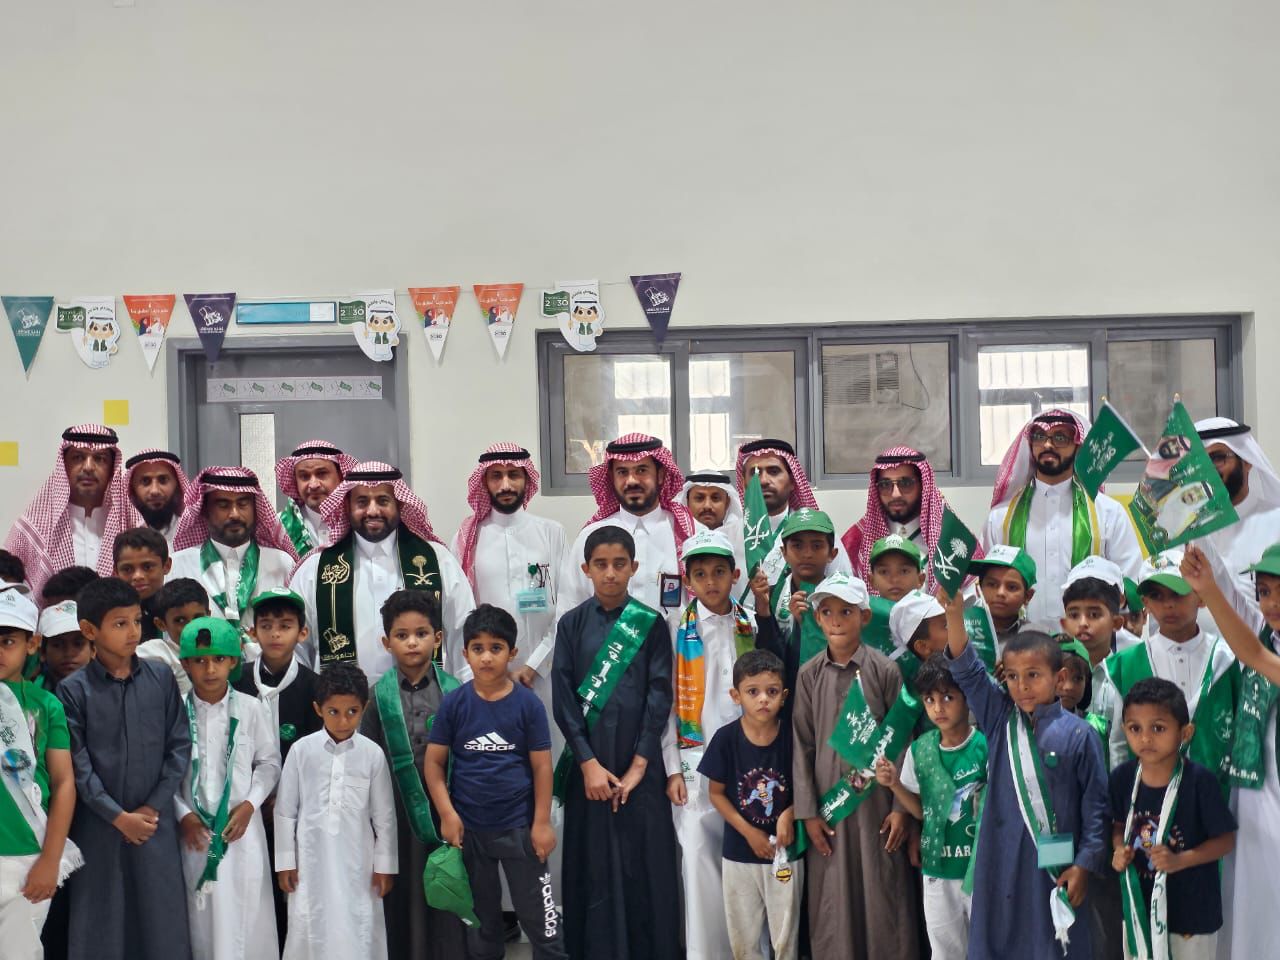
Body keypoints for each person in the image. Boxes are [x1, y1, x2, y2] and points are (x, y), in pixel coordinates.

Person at [943, 591, 1110, 960]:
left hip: (1054, 865)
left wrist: (1084, 864)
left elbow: (1096, 809)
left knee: (1052, 943)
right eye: (1014, 676)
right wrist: (954, 613)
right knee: (997, 939)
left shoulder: (1081, 735)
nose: (1022, 685)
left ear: (1060, 677)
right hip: (998, 859)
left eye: (1033, 675)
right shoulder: (1000, 717)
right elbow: (968, 671)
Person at [552, 525, 680, 959]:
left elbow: (660, 694)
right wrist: (587, 763)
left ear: (634, 568)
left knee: (643, 865)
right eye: (601, 565)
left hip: (638, 769)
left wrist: (640, 765)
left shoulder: (651, 624)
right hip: (588, 770)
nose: (610, 574)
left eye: (619, 565)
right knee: (593, 866)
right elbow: (564, 698)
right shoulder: (571, 625)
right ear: (585, 569)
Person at [58, 577, 192, 960]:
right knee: (102, 923)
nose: (133, 632)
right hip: (100, 828)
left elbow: (179, 746)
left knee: (161, 921)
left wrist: (151, 809)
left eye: (136, 621)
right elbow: (78, 766)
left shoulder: (161, 678)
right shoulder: (73, 690)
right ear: (89, 630)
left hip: (155, 826)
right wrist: (117, 817)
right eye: (120, 623)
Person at [425, 604, 567, 960]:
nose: (486, 657)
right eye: (478, 648)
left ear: (512, 652)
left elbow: (542, 768)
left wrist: (540, 823)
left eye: (496, 648)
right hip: (469, 833)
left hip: (520, 831)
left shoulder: (528, 705)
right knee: (482, 927)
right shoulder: (455, 704)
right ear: (465, 653)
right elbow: (434, 764)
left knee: (543, 924)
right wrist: (447, 814)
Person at [791, 572, 920, 959]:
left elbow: (902, 742)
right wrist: (808, 812)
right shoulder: (808, 674)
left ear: (864, 617)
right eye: (826, 612)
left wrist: (901, 809)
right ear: (817, 619)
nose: (834, 620)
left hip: (879, 806)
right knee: (833, 896)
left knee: (884, 890)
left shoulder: (884, 671)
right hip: (831, 809)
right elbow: (802, 743)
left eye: (845, 611)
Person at [1179, 543, 1280, 960]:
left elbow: (1252, 655)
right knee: (1251, 903)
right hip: (1256, 787)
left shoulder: (1261, 647)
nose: (1271, 603)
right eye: (1264, 591)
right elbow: (1251, 640)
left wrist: (1208, 588)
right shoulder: (1267, 634)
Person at [660, 529, 754, 960]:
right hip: (695, 766)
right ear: (689, 580)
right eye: (701, 574)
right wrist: (672, 769)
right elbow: (665, 707)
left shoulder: (751, 623)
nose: (711, 581)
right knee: (697, 861)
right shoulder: (674, 629)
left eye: (720, 572)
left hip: (747, 763)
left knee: (748, 866)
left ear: (735, 575)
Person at [290, 461, 475, 680]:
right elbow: (297, 649)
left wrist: (464, 701)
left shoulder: (436, 560)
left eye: (383, 500)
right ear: (347, 505)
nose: (372, 510)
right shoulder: (316, 568)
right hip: (342, 708)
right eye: (362, 501)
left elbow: (462, 631)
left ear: (399, 504)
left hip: (425, 706)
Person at [359, 589, 467, 959]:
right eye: (401, 636)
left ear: (438, 638)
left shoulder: (456, 694)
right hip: (397, 815)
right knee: (404, 897)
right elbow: (368, 762)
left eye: (421, 633)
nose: (411, 643)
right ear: (386, 641)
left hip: (447, 812)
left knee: (448, 892)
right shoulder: (375, 698)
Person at [274, 663, 397, 960]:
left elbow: (385, 816)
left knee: (359, 922)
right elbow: (284, 812)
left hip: (359, 864)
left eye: (352, 711)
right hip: (311, 862)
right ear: (318, 709)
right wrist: (285, 862)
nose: (343, 721)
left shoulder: (372, 754)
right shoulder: (302, 751)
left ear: (364, 708)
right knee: (309, 919)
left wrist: (384, 866)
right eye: (334, 712)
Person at [175, 617, 281, 960]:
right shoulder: (175, 711)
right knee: (199, 922)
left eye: (219, 659)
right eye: (200, 660)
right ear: (185, 664)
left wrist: (250, 804)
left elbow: (269, 764)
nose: (210, 669)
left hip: (241, 832)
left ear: (234, 661)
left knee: (248, 917)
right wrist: (184, 815)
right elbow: (166, 772)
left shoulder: (251, 708)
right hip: (194, 834)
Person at [1110, 678, 1236, 960]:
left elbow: (1225, 840)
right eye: (1135, 728)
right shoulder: (1122, 778)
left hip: (1191, 915)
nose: (1145, 738)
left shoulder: (1199, 781)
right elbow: (1118, 826)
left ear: (1186, 733)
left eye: (1158, 728)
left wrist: (1181, 859)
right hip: (1138, 909)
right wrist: (1118, 849)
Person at [875, 654, 987, 960]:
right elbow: (923, 812)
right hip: (937, 868)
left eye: (948, 697)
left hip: (980, 869)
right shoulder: (920, 750)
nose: (938, 708)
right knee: (944, 950)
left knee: (986, 948)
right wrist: (895, 783)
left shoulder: (986, 746)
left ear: (967, 698)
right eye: (930, 699)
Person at [983, 409, 1143, 622]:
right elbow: (988, 585)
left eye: (1060, 437)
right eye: (1039, 437)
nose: (1047, 445)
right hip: (1020, 644)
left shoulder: (1108, 513)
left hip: (1089, 647)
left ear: (1079, 445)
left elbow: (1128, 580)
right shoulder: (1001, 517)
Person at [451, 443, 566, 729]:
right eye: (496, 476)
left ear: (527, 479)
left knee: (546, 753)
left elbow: (566, 605)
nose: (505, 484)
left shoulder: (551, 532)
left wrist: (534, 665)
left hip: (544, 672)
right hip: (486, 674)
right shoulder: (467, 539)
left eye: (513, 474)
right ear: (484, 482)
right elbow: (460, 612)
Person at [1104, 552, 1237, 794]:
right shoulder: (1125, 665)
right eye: (1156, 596)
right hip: (1148, 810)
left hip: (1218, 804)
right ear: (1144, 602)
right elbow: (1119, 744)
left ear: (1201, 597)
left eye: (1178, 593)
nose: (1168, 604)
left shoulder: (1228, 660)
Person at [698, 649, 800, 960]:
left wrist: (789, 814)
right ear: (736, 695)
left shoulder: (794, 737)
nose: (763, 700)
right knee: (743, 938)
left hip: (786, 853)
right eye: (752, 692)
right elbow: (716, 793)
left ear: (783, 696)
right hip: (740, 854)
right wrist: (748, 833)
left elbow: (810, 787)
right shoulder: (725, 739)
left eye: (771, 692)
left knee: (786, 938)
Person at [233, 587, 320, 950]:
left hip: (297, 809)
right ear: (252, 633)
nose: (274, 634)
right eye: (265, 626)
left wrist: (286, 801)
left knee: (294, 882)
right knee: (253, 884)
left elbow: (316, 756)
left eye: (285, 626)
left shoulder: (315, 687)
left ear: (302, 633)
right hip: (244, 806)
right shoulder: (235, 681)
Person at [0, 588, 78, 960]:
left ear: (32, 644)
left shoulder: (46, 704)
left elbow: (63, 784)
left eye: (8, 641)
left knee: (20, 952)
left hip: (28, 855)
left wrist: (51, 859)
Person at [557, 433, 694, 618]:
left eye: (641, 470)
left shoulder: (688, 532)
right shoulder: (590, 536)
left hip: (673, 646)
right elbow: (570, 608)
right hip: (607, 647)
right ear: (612, 478)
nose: (631, 481)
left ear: (660, 475)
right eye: (622, 472)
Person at [4, 424, 142, 596]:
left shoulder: (131, 523)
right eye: (78, 457)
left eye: (99, 459)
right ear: (65, 465)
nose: (89, 467)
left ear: (111, 468)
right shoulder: (33, 528)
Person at [168, 467, 299, 628]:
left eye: (243, 504)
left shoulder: (282, 563)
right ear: (205, 511)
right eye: (223, 506)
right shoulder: (179, 564)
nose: (235, 514)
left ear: (256, 509)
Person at [736, 439, 850, 590]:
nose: (763, 481)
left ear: (792, 482)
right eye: (755, 473)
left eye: (773, 471)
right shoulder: (729, 535)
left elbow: (844, 592)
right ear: (744, 484)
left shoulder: (820, 533)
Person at [751, 508, 839, 704]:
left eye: (816, 546)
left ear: (832, 553)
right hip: (782, 706)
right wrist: (764, 612)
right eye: (797, 546)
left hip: (828, 701)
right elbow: (768, 663)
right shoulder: (770, 595)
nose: (807, 554)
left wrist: (810, 627)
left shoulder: (842, 600)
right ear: (784, 552)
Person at [841, 446, 958, 594]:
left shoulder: (953, 538)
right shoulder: (856, 541)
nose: (895, 494)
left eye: (906, 483)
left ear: (923, 486)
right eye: (885, 485)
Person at [1194, 418, 1280, 601]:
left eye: (1218, 458)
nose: (1208, 470)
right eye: (1199, 461)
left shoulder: (1276, 522)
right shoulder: (1187, 529)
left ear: (1247, 461)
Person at [274, 440, 357, 556]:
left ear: (340, 476)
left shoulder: (358, 520)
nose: (313, 485)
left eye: (322, 474)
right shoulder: (279, 527)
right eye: (304, 476)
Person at [140, 578, 211, 697]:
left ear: (208, 616)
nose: (191, 627)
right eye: (180, 620)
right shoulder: (158, 653)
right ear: (161, 624)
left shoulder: (220, 650)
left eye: (198, 618)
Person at [966, 544, 1037, 656]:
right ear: (978, 589)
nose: (1000, 593)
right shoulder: (961, 633)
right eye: (992, 584)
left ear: (1028, 596)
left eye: (1012, 587)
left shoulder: (1039, 639)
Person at [675, 470, 747, 579]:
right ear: (687, 501)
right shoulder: (674, 539)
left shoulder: (743, 540)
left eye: (715, 498)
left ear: (727, 503)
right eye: (699, 498)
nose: (707, 506)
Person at [113, 526, 172, 640]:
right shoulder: (110, 619)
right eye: (128, 569)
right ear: (116, 571)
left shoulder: (182, 611)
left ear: (166, 566)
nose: (138, 576)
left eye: (147, 567)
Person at [125, 448, 190, 546]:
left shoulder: (192, 531)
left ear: (177, 484)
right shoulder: (122, 534)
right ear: (132, 488)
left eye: (163, 480)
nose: (154, 491)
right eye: (145, 481)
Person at [36, 600, 92, 691]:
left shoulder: (111, 692)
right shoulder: (29, 699)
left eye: (78, 644)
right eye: (57, 645)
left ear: (93, 649)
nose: (69, 653)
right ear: (42, 652)